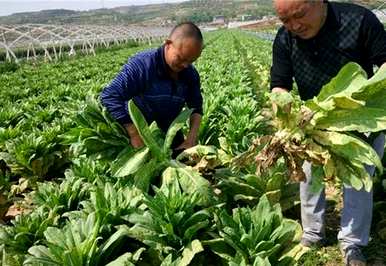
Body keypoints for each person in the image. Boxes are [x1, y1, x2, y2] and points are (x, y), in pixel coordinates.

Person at [270, 0, 386, 265]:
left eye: (299, 15)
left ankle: (352, 243)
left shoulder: (360, 21)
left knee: (357, 181)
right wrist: (286, 113)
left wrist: (363, 96)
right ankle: (312, 232)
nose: (294, 26)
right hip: (314, 124)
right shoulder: (285, 38)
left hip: (359, 121)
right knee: (309, 177)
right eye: (285, 21)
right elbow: (280, 85)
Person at [100, 22, 203, 155]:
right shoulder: (142, 66)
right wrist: (134, 134)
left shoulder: (190, 74)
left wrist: (191, 138)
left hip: (169, 138)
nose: (185, 65)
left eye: (190, 61)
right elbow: (110, 96)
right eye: (180, 58)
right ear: (168, 44)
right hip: (139, 141)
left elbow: (196, 107)